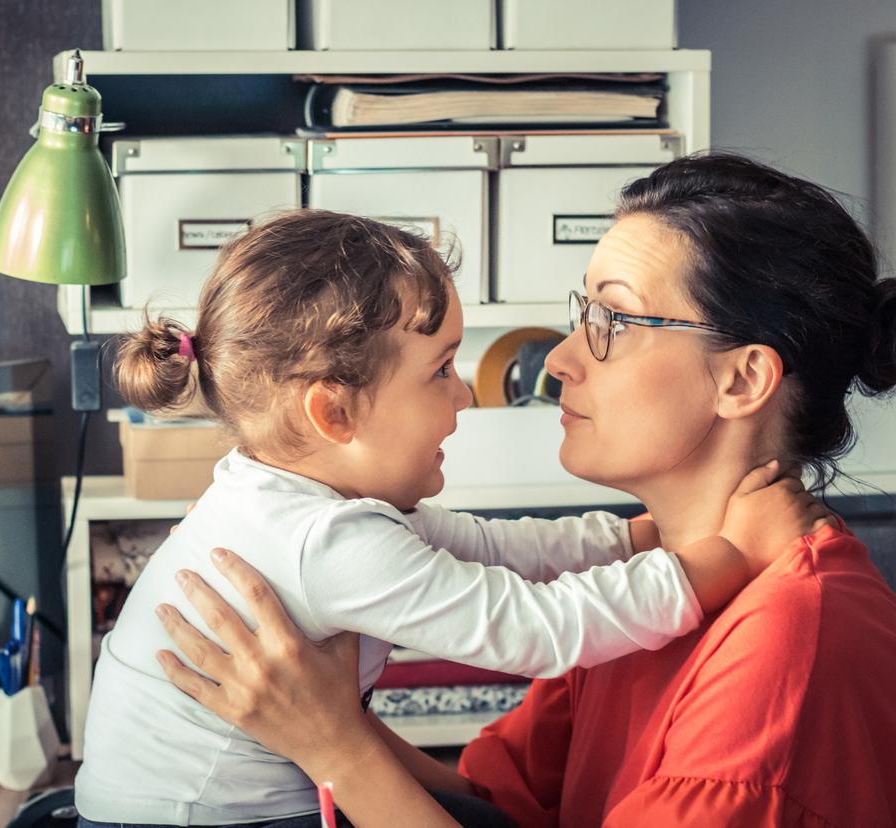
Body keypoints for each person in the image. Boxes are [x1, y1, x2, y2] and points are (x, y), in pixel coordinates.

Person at [154, 154, 896, 826]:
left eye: (612, 319)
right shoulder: (633, 594)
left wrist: (338, 751)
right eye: (583, 314)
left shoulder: (790, 654)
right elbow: (504, 807)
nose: (563, 358)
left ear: (741, 378)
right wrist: (319, 717)